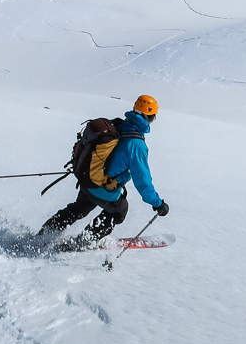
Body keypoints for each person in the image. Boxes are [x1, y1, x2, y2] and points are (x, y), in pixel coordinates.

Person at [39, 94, 169, 246]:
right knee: (119, 210)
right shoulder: (137, 145)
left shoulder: (118, 125)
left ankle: (44, 233)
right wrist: (158, 203)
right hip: (102, 188)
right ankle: (85, 241)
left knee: (78, 208)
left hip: (87, 178)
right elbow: (143, 181)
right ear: (150, 117)